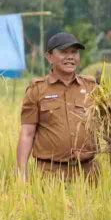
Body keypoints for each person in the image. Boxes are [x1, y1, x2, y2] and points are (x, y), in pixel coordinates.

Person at [16, 32, 98, 182]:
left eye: (74, 52)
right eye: (64, 52)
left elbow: (110, 124)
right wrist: (22, 173)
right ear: (49, 57)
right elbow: (27, 133)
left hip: (88, 173)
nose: (70, 57)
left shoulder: (92, 87)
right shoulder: (37, 90)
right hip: (49, 174)